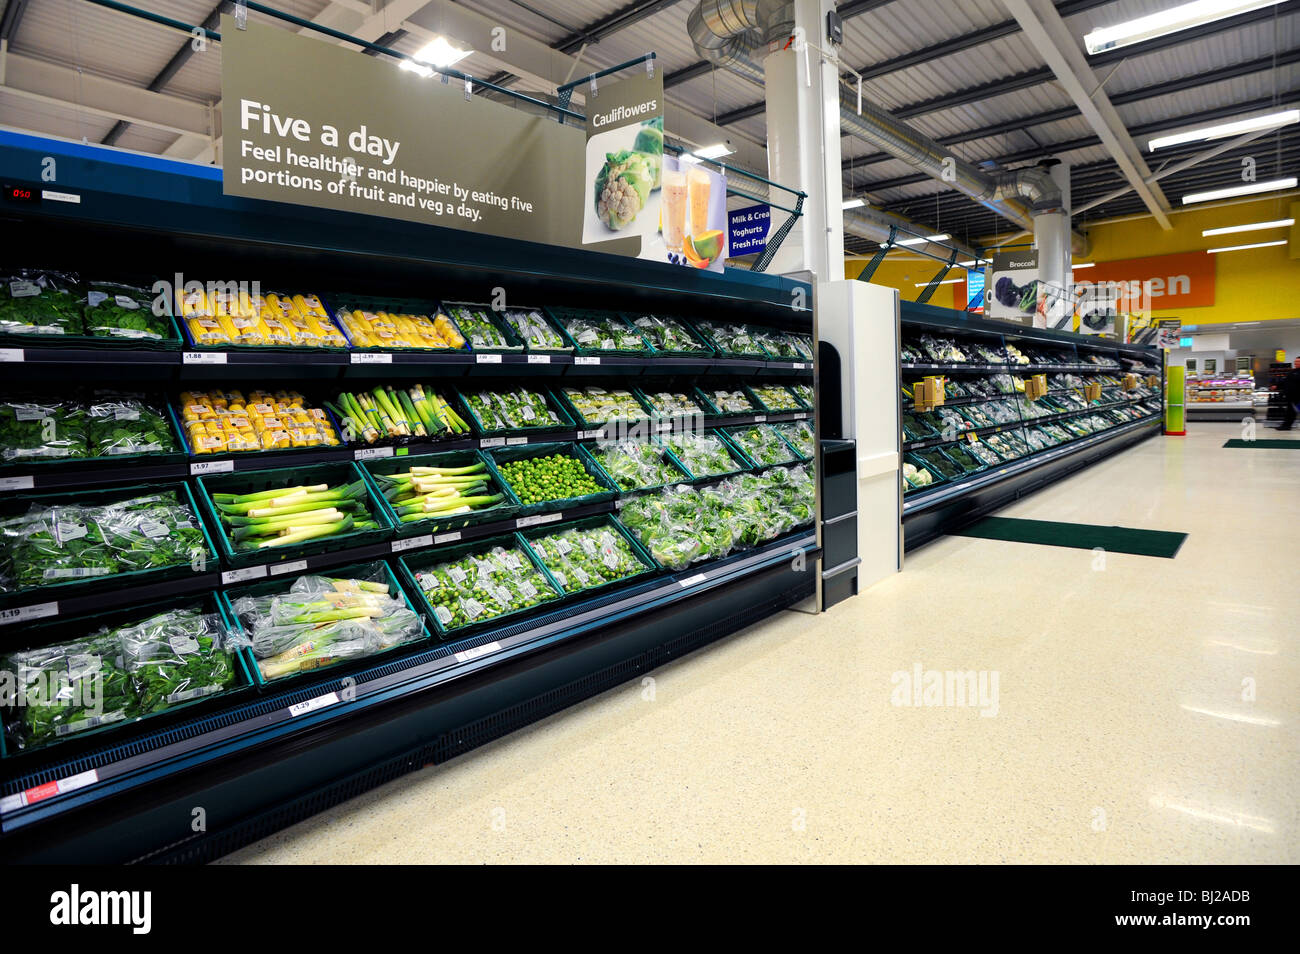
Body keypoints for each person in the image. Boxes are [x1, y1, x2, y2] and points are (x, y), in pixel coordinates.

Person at [1279, 357, 1300, 431]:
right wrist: (1276, 385)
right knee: (1290, 412)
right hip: (1291, 396)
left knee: (1292, 411)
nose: (1296, 363)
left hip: (1297, 396)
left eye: (1298, 362)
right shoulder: (1292, 371)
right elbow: (1285, 381)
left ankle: (1286, 425)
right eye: (1295, 361)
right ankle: (1286, 426)